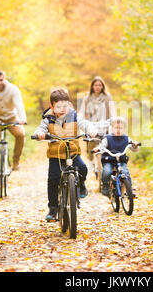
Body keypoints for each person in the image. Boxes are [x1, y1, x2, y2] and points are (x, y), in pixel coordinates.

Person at [33, 88, 97, 221]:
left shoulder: (74, 116)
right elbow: (41, 128)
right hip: (55, 154)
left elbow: (84, 124)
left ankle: (81, 185)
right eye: (58, 107)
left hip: (72, 152)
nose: (62, 109)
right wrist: (40, 134)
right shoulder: (48, 119)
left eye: (65, 106)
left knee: (83, 168)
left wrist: (91, 130)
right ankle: (53, 208)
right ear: (52, 107)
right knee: (53, 179)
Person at [79, 76, 116, 176]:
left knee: (105, 146)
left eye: (100, 85)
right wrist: (82, 123)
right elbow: (82, 112)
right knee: (91, 146)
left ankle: (105, 166)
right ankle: (92, 164)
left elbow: (112, 111)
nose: (97, 87)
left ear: (102, 86)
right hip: (91, 126)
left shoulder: (107, 97)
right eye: (95, 85)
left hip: (105, 125)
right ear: (92, 86)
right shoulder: (87, 98)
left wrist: (113, 122)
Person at [94, 116, 139, 197]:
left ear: (124, 129)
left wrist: (135, 146)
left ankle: (129, 189)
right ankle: (105, 185)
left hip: (121, 160)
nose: (118, 130)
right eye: (116, 128)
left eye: (121, 128)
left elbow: (133, 147)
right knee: (107, 171)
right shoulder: (108, 138)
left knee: (126, 172)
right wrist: (98, 149)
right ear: (112, 128)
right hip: (109, 160)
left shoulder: (126, 138)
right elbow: (102, 146)